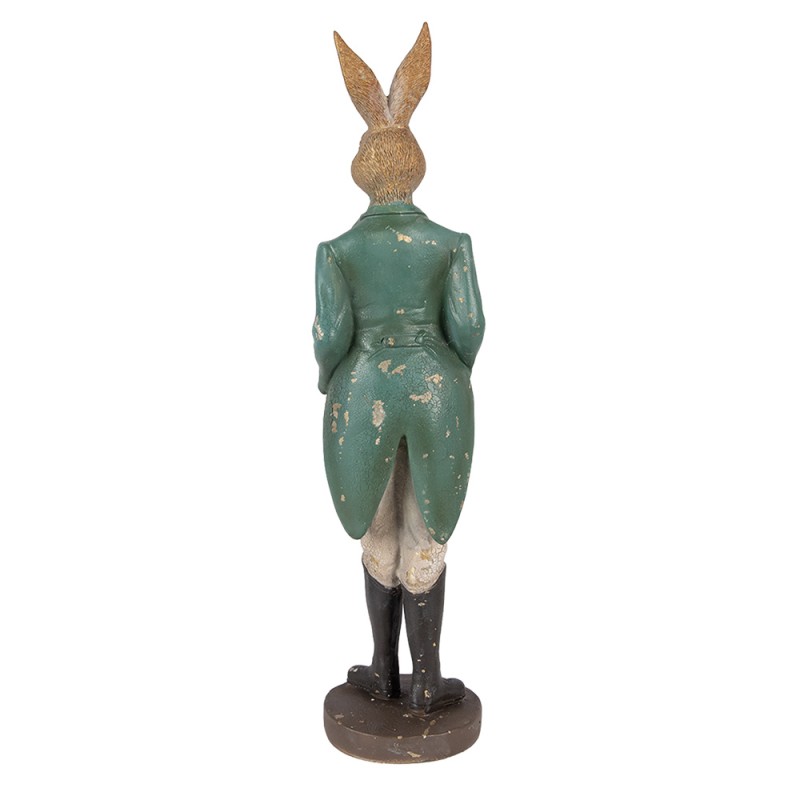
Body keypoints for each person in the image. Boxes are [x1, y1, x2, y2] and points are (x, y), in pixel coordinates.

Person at [313, 23, 485, 716]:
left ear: (363, 168)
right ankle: (427, 678)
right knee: (427, 530)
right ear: (415, 165)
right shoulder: (450, 243)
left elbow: (331, 336)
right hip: (438, 391)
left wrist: (332, 380)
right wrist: (450, 373)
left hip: (361, 395)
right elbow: (470, 327)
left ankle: (385, 671)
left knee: (376, 528)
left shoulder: (337, 250)